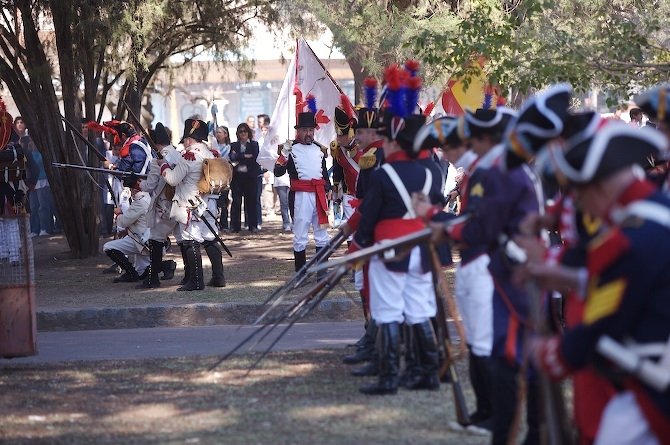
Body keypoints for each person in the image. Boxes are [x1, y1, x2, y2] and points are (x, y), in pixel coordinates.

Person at [527, 123, 670, 444]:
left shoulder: (629, 240)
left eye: (579, 196)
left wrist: (553, 353)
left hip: (652, 394)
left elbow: (602, 323)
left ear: (598, 188)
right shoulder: (658, 213)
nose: (580, 207)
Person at [347, 67, 445, 395]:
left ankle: (389, 377)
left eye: (386, 140)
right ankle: (427, 372)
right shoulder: (431, 172)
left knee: (387, 311)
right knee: (419, 310)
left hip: (388, 250)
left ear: (393, 142)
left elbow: (369, 219)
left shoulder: (383, 175)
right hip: (421, 249)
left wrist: (359, 248)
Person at [274, 110, 331, 275]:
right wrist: (284, 154)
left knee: (322, 234)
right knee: (300, 235)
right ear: (298, 131)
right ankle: (301, 274)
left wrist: (328, 189)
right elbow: (278, 172)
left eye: (311, 130)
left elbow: (324, 173)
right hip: (300, 196)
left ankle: (322, 273)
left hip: (319, 194)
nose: (309, 133)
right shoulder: (290, 148)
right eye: (305, 130)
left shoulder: (319, 149)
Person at [159, 118, 209, 291]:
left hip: (188, 203)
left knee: (190, 240)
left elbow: (172, 179)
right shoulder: (208, 153)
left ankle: (196, 281)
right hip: (202, 202)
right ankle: (194, 279)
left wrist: (164, 166)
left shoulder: (189, 156)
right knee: (191, 239)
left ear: (188, 139)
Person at [136, 122, 179, 288]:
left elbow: (150, 186)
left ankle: (153, 278)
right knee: (183, 240)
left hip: (163, 207)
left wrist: (136, 183)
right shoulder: (178, 155)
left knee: (155, 240)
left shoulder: (157, 161)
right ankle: (190, 275)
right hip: (179, 205)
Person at [102, 174, 151, 283]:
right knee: (142, 272)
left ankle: (130, 273)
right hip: (144, 238)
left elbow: (123, 222)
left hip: (140, 240)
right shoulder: (147, 198)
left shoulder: (140, 202)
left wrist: (119, 214)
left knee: (108, 247)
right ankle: (165, 266)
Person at [229, 122, 260, 233]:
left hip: (250, 177)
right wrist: (245, 156)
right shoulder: (234, 145)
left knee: (251, 201)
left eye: (245, 131)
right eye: (241, 131)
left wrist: (239, 157)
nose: (243, 133)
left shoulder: (254, 144)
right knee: (236, 201)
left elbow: (254, 158)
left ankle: (252, 225)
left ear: (248, 133)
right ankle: (235, 226)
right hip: (237, 177)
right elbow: (232, 158)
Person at [22, 135, 55, 236]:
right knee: (33, 206)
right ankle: (35, 229)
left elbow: (38, 164)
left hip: (42, 181)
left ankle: (45, 228)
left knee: (43, 206)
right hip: (32, 182)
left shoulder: (42, 152)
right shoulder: (28, 153)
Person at [212, 125, 232, 232]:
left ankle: (224, 224)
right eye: (217, 132)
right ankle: (214, 223)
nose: (218, 134)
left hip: (226, 176)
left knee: (224, 200)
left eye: (220, 132)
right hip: (215, 176)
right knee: (215, 200)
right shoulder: (214, 147)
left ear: (225, 134)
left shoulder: (229, 147)